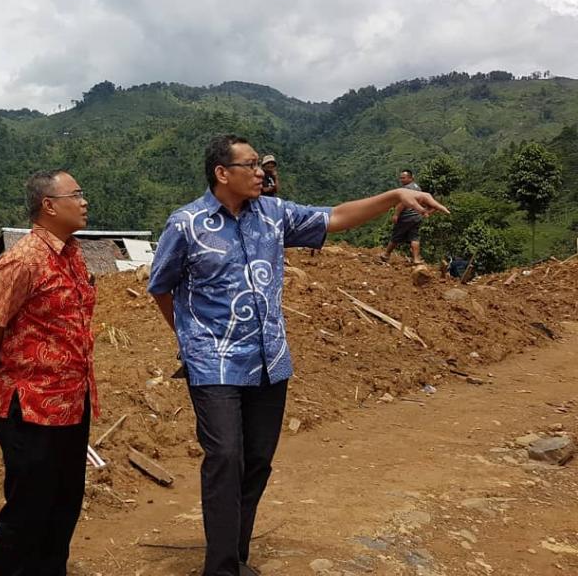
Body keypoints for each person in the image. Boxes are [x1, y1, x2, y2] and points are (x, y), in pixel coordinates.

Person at [147, 135, 447, 576]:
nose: (261, 173)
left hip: (270, 361)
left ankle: (237, 556)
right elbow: (161, 286)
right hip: (213, 362)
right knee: (226, 457)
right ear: (222, 173)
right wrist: (192, 338)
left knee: (257, 461)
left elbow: (337, 216)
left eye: (261, 166)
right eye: (250, 165)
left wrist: (394, 196)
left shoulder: (274, 214)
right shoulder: (186, 224)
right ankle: (222, 567)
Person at [0, 170, 98, 576]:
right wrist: (7, 373)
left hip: (73, 403)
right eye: (76, 195)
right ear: (49, 205)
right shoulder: (23, 259)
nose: (84, 202)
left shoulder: (73, 254)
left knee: (64, 507)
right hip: (30, 407)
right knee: (27, 512)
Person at [381, 169, 424, 265]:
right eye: (401, 178)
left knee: (396, 235)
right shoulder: (417, 187)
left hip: (406, 216)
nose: (401, 180)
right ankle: (416, 259)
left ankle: (386, 254)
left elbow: (402, 204)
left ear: (411, 178)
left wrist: (396, 214)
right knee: (414, 237)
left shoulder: (407, 189)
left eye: (404, 178)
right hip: (416, 216)